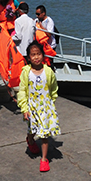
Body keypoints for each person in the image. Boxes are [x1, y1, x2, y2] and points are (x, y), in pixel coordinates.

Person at [17, 42, 60, 173]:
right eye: (33, 55)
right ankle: (30, 139)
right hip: (32, 107)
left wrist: (51, 102)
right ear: (29, 58)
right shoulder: (26, 72)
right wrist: (24, 109)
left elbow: (53, 87)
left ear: (43, 55)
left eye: (39, 54)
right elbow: (22, 90)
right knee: (33, 130)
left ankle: (44, 159)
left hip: (45, 107)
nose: (36, 57)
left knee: (44, 133)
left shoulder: (48, 72)